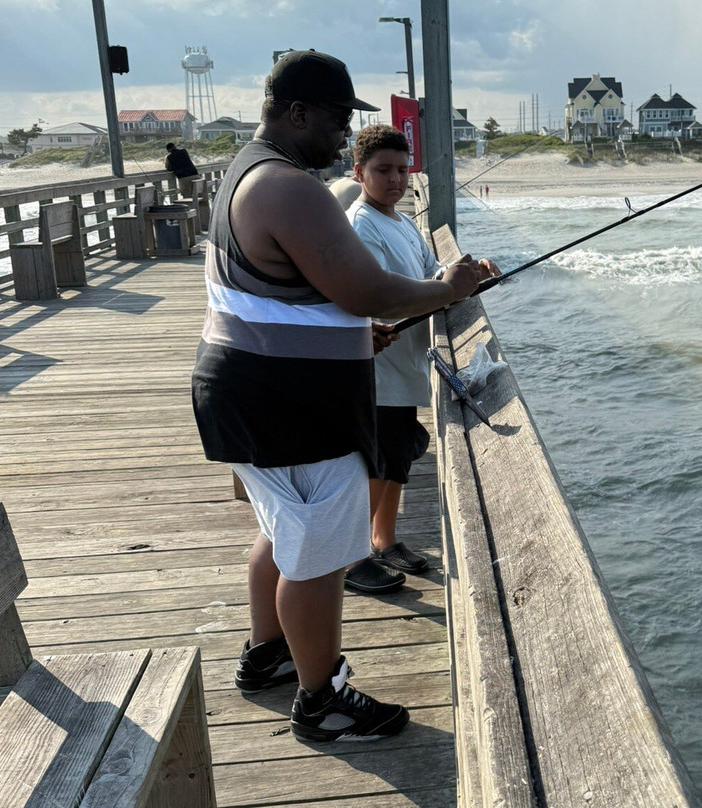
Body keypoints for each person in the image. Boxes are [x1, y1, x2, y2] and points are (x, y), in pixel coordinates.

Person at [190, 49, 486, 744]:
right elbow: (365, 289)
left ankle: (270, 656)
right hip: (287, 407)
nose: (339, 136)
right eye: (333, 120)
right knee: (319, 559)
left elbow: (299, 295)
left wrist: (356, 336)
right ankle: (320, 699)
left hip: (252, 390)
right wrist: (450, 289)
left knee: (282, 533)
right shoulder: (287, 186)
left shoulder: (247, 171)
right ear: (297, 113)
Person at [344, 124, 499, 592]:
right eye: (382, 170)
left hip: (405, 365)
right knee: (376, 462)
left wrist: (468, 273)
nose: (395, 179)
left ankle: (383, 539)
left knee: (399, 454)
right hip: (379, 368)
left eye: (401, 169)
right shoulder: (360, 226)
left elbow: (430, 273)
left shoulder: (399, 219)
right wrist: (444, 290)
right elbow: (379, 298)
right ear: (359, 173)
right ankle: (350, 559)